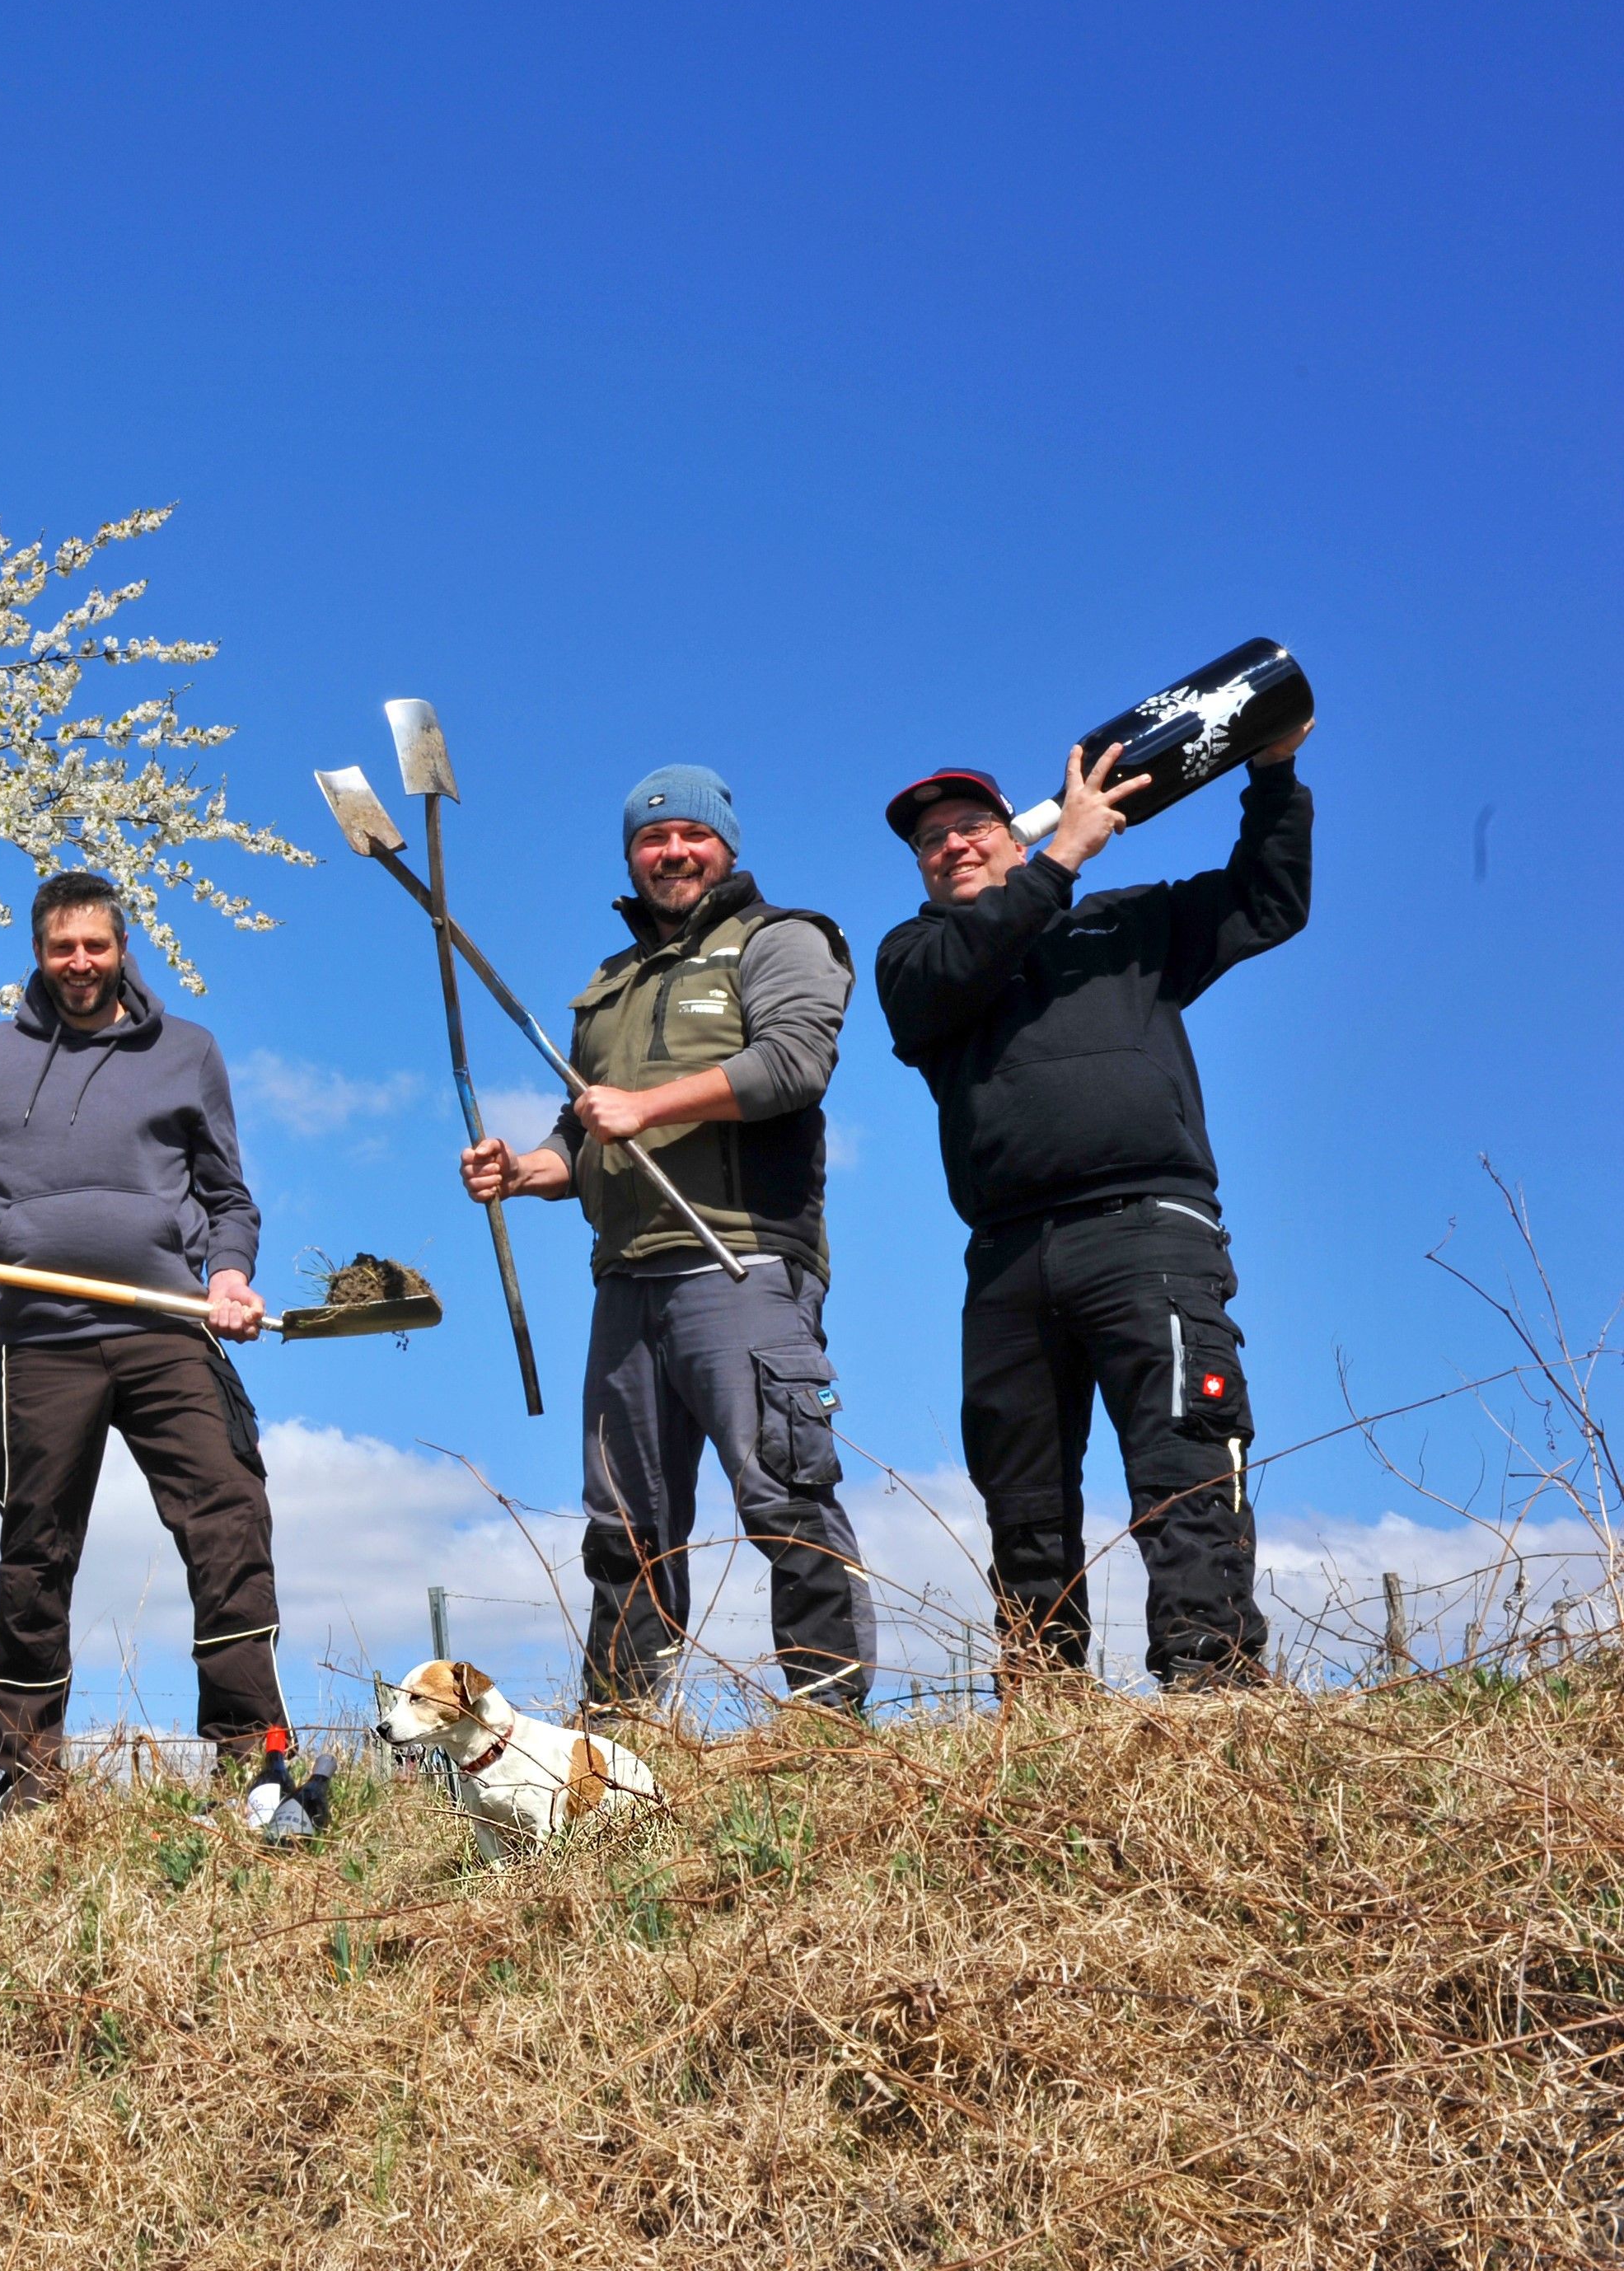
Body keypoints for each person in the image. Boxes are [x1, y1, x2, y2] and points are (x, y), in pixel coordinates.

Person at [875, 718, 1313, 1689]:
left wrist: (1272, 774)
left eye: (969, 826)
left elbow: (1269, 901)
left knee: (1182, 1464)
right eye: (928, 839)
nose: (949, 843)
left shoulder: (1125, 925)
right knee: (1020, 1500)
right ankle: (1042, 1709)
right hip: (1003, 1259)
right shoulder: (913, 958)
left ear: (1011, 833)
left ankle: (1211, 1692)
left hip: (1146, 1229)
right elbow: (957, 973)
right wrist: (1061, 859)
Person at [0, 869, 283, 1815]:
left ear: (122, 949)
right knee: (36, 1545)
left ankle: (251, 1756)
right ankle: (28, 1777)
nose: (79, 963)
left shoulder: (186, 1052)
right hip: (42, 1341)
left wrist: (229, 1276)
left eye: (95, 945)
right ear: (36, 955)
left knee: (228, 1515)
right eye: (60, 948)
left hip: (168, 1328)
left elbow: (226, 1197)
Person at [460, 766, 878, 1718]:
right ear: (629, 857)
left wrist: (643, 1107)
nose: (672, 852)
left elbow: (793, 1064)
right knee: (623, 1523)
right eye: (651, 840)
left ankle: (826, 1722)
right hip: (625, 1281)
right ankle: (619, 1730)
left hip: (739, 1261)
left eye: (691, 835)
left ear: (725, 845)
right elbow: (579, 1134)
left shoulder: (780, 941)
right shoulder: (607, 984)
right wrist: (519, 1170)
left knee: (782, 1489)